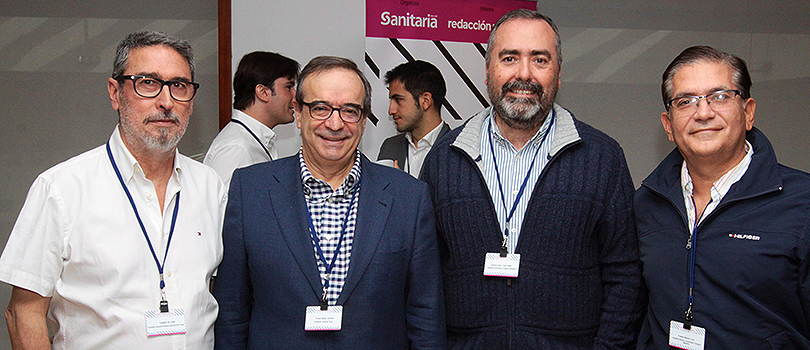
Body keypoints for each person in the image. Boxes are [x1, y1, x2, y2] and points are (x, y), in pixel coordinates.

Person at [420, 9, 645, 349]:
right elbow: (425, 277)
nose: (524, 74)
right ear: (487, 70)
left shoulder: (602, 157)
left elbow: (625, 274)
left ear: (558, 74)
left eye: (539, 60)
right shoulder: (444, 158)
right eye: (509, 58)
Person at [636, 45, 810, 349]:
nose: (703, 112)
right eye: (685, 101)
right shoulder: (645, 206)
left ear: (748, 112)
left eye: (720, 96)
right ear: (669, 125)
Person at [0, 31, 225, 349]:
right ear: (115, 93)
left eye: (179, 86)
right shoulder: (62, 189)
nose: (166, 101)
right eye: (148, 82)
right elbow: (23, 313)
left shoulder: (210, 187)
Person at [212, 56, 445, 349]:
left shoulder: (409, 198)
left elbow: (426, 315)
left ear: (363, 120)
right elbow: (232, 311)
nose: (335, 124)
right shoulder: (250, 190)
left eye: (349, 110)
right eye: (320, 108)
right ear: (298, 113)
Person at [204, 51, 300, 186]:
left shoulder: (255, 141)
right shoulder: (236, 148)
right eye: (288, 87)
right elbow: (223, 206)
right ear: (263, 92)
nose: (295, 96)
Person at [377, 60, 449, 177]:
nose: (391, 111)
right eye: (391, 100)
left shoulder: (458, 149)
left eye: (398, 99)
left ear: (425, 101)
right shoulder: (390, 147)